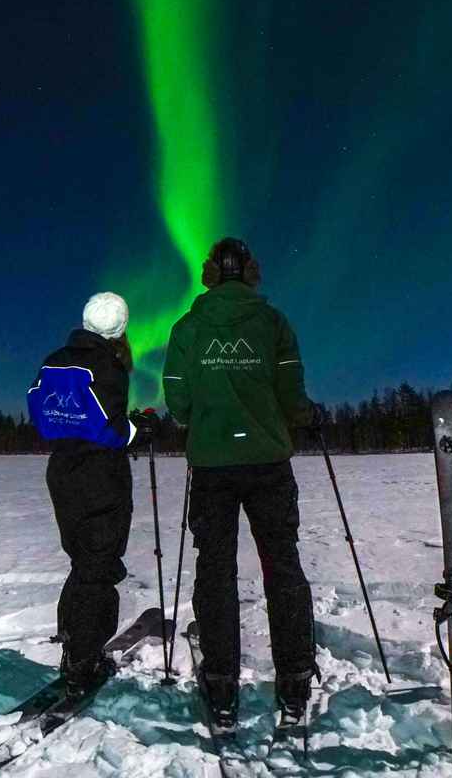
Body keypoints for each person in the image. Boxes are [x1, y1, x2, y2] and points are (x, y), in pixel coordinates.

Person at [162, 238, 317, 728]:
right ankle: (294, 681)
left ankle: (222, 683)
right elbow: (291, 391)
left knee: (215, 571)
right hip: (268, 462)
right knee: (283, 566)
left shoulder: (188, 328)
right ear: (250, 271)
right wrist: (301, 417)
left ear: (210, 273)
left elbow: (177, 396)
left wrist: (199, 417)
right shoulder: (273, 324)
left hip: (212, 465)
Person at [26, 291, 157, 692]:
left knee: (81, 560)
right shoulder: (109, 365)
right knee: (98, 565)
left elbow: (39, 411)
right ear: (120, 329)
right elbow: (109, 431)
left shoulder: (54, 359)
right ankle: (85, 661)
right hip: (99, 476)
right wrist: (140, 429)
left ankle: (72, 645)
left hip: (62, 472)